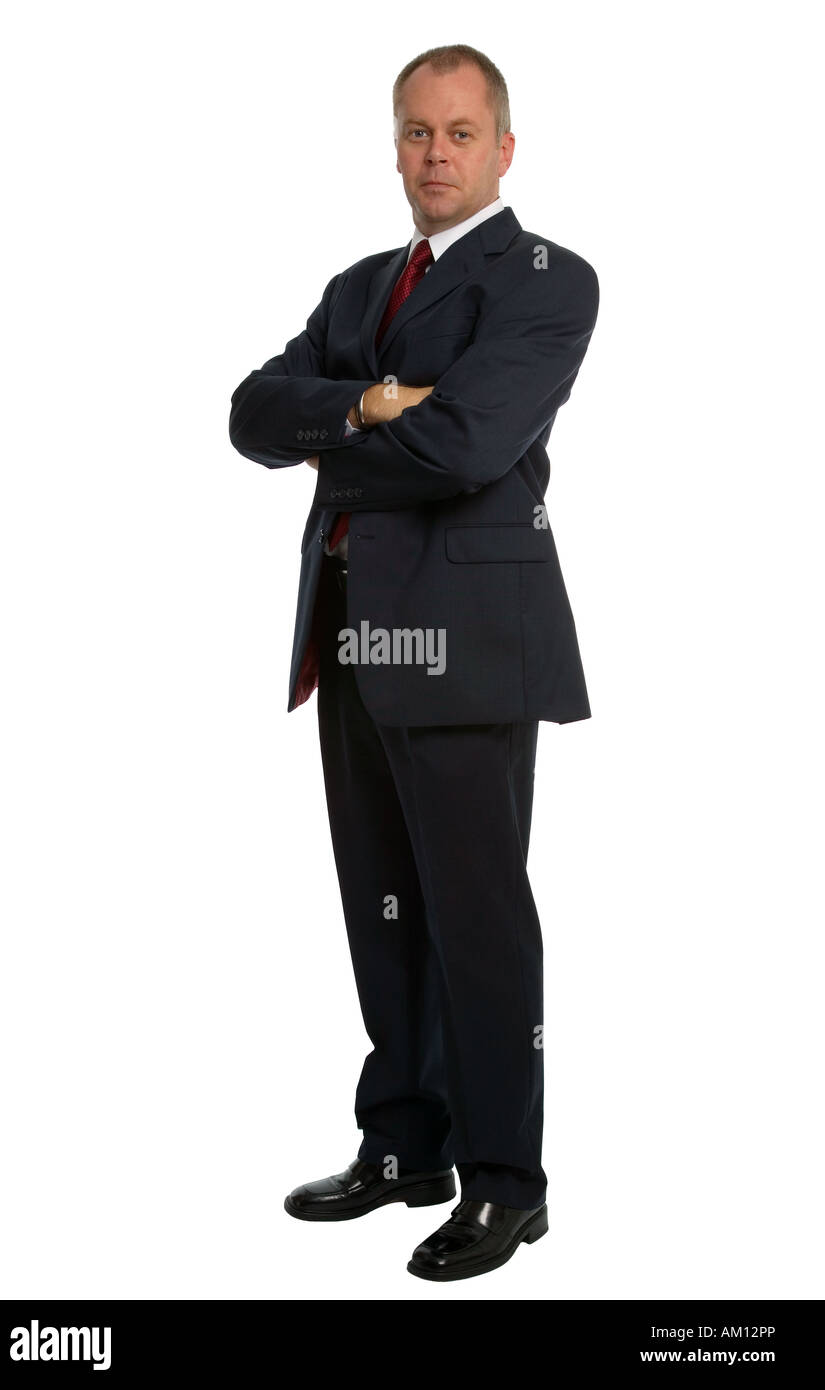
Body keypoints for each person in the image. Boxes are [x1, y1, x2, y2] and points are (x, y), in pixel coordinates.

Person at [228, 43, 599, 1282]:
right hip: (351, 630)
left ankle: (505, 1180)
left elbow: (467, 445)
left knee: (478, 918)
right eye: (414, 133)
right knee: (381, 904)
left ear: (503, 148)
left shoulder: (546, 281)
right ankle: (406, 1143)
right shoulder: (359, 285)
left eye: (458, 132)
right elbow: (248, 411)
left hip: (468, 642)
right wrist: (379, 402)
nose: (434, 154)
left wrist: (339, 418)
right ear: (394, 148)